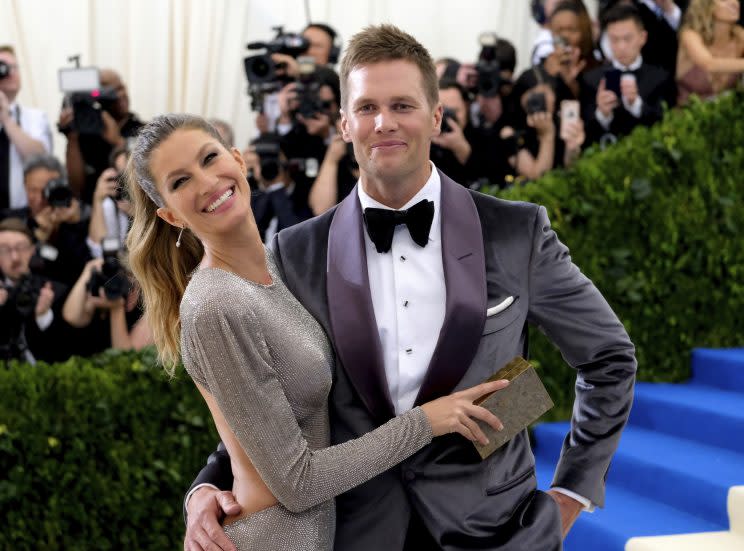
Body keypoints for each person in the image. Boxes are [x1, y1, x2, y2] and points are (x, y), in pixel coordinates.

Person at [185, 24, 636, 551]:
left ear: (437, 116)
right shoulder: (295, 252)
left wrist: (571, 494)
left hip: (499, 531)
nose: (384, 123)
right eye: (367, 107)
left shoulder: (516, 232)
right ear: (345, 124)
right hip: (356, 534)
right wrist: (206, 487)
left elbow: (609, 357)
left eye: (402, 105)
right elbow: (268, 400)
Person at [125, 113, 508, 550]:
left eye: (209, 158)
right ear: (170, 215)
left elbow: (259, 413)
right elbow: (296, 479)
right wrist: (426, 422)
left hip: (380, 521)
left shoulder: (281, 263)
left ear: (238, 158)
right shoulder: (216, 304)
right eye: (180, 181)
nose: (207, 182)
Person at [582, 3, 677, 145]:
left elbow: (666, 123)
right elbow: (585, 135)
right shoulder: (591, 80)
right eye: (614, 39)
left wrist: (636, 104)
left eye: (627, 39)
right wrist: (602, 114)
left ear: (642, 38)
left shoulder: (660, 77)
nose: (621, 47)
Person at [58, 68, 144, 204]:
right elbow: (76, 189)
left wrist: (118, 142)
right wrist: (72, 137)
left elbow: (144, 185)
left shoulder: (143, 131)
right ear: (98, 97)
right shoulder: (88, 136)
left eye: (121, 88)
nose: (119, 95)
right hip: (94, 214)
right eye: (112, 91)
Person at [0, 217, 68, 364]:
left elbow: (61, 353)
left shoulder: (55, 291)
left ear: (32, 250)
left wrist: (43, 316)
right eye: (4, 250)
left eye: (21, 247)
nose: (15, 257)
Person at [0, 45, 53, 211]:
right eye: (3, 67)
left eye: (15, 67)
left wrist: (6, 119)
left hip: (26, 215)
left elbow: (40, 158)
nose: (11, 73)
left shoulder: (35, 117)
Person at [676, 0, 744, 104]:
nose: (734, 2)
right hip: (687, 115)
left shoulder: (739, 36)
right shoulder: (689, 35)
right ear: (707, 6)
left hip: (728, 113)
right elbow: (709, 64)